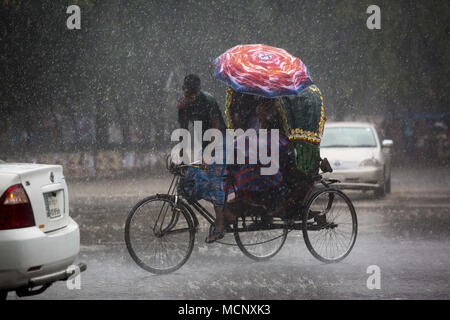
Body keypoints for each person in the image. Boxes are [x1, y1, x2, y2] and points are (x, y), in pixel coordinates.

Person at [177, 74, 226, 143]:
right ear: (183, 88)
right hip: (204, 139)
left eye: (194, 93)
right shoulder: (183, 105)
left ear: (199, 90)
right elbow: (183, 128)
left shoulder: (208, 100)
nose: (192, 96)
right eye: (188, 93)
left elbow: (215, 125)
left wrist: (211, 147)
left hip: (220, 137)